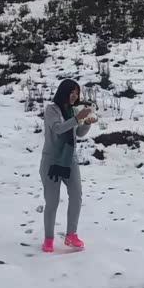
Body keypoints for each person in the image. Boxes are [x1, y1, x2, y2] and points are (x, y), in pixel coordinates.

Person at [40, 79, 97, 252]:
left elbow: (78, 133)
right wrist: (77, 118)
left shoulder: (73, 110)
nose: (74, 96)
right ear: (63, 92)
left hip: (70, 158)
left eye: (77, 93)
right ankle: (48, 239)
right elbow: (58, 128)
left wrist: (86, 123)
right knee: (52, 201)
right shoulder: (52, 110)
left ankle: (71, 235)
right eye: (71, 92)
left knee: (76, 195)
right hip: (52, 160)